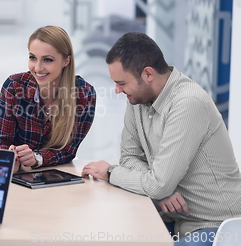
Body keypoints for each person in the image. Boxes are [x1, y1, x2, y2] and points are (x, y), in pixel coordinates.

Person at [81, 32, 241, 246]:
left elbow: (156, 184)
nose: (117, 90)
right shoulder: (137, 99)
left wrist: (111, 172)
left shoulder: (188, 103)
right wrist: (159, 189)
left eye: (121, 83)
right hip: (173, 220)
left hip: (216, 227)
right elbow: (129, 157)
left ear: (148, 74)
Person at [0, 26, 96, 173]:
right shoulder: (14, 86)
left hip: (56, 174)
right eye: (33, 58)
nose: (38, 68)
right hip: (18, 174)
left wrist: (37, 158)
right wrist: (8, 157)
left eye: (47, 60)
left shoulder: (84, 94)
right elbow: (0, 141)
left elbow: (68, 151)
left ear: (66, 61)